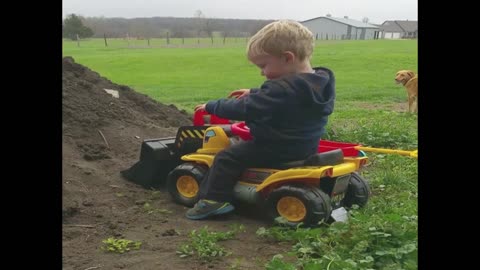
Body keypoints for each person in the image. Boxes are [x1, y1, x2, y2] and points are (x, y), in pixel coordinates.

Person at [186, 19, 336, 220]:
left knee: (226, 158)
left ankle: (214, 200)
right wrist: (256, 92)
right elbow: (288, 98)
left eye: (264, 65)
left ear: (287, 58)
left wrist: (213, 106)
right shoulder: (321, 80)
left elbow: (246, 108)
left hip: (275, 147)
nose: (262, 72)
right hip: (306, 145)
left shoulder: (280, 89)